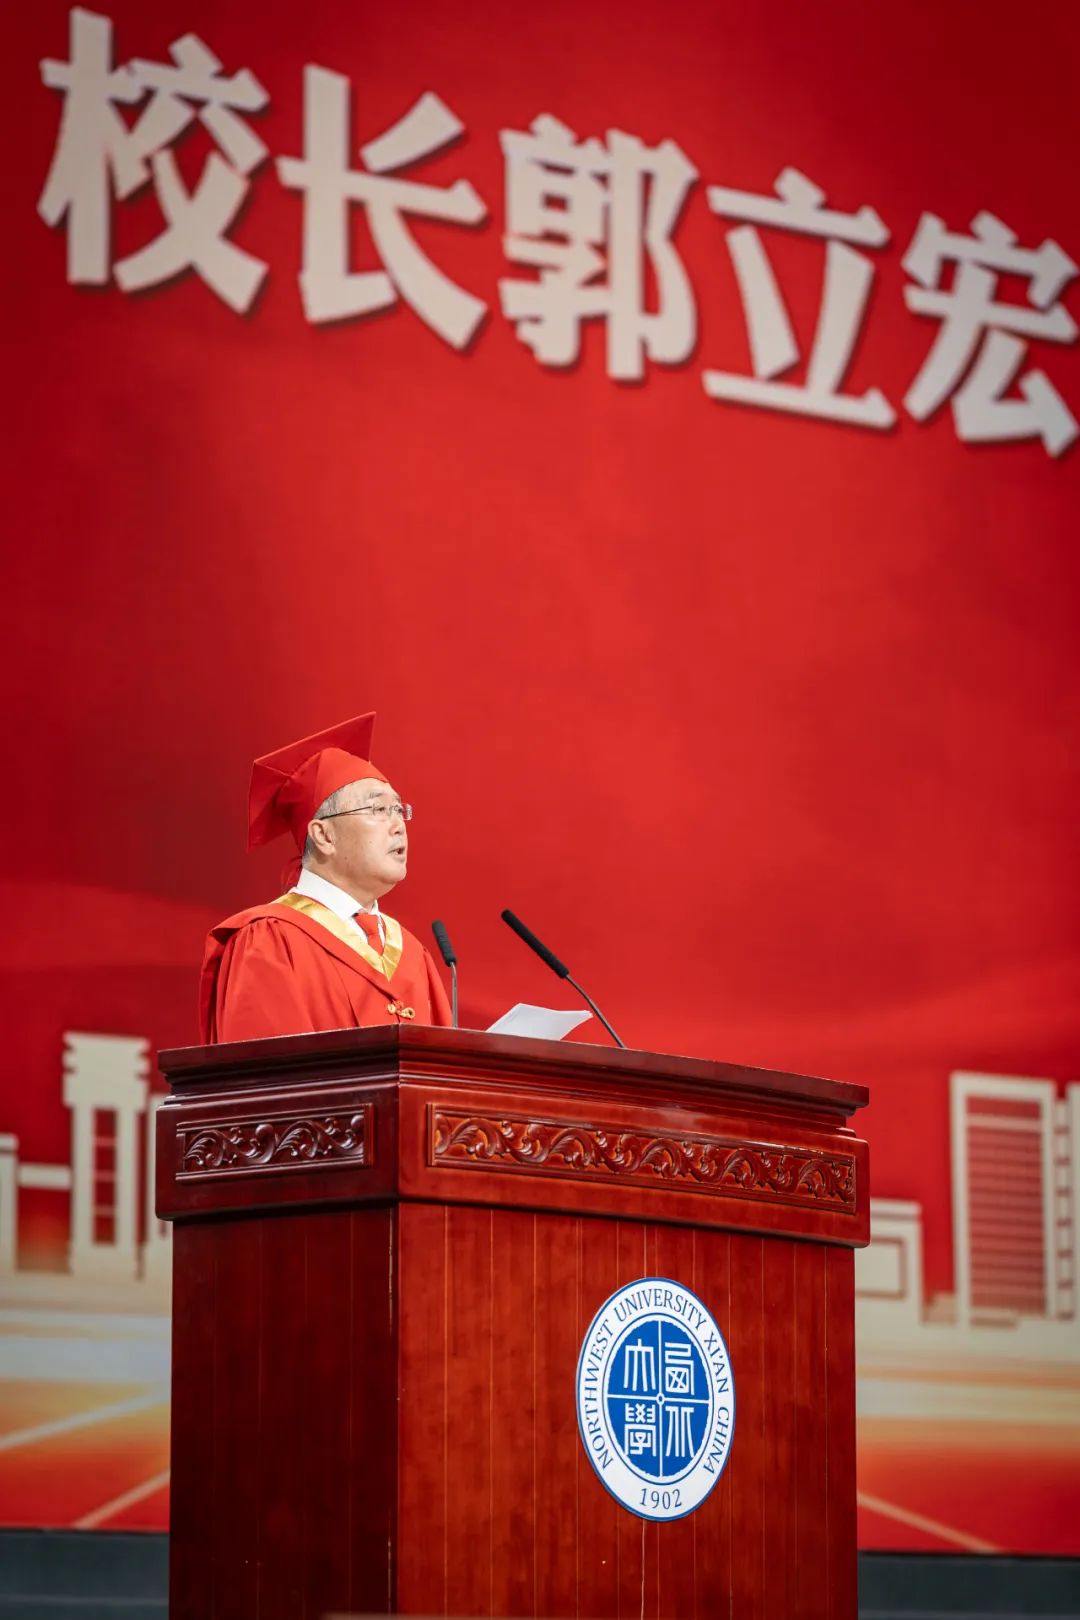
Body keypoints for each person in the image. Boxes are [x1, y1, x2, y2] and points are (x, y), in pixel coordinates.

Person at [199, 712, 452, 1042]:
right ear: (323, 835)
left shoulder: (413, 953)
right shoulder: (269, 941)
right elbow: (269, 1071)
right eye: (378, 810)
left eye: (398, 810)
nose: (398, 825)